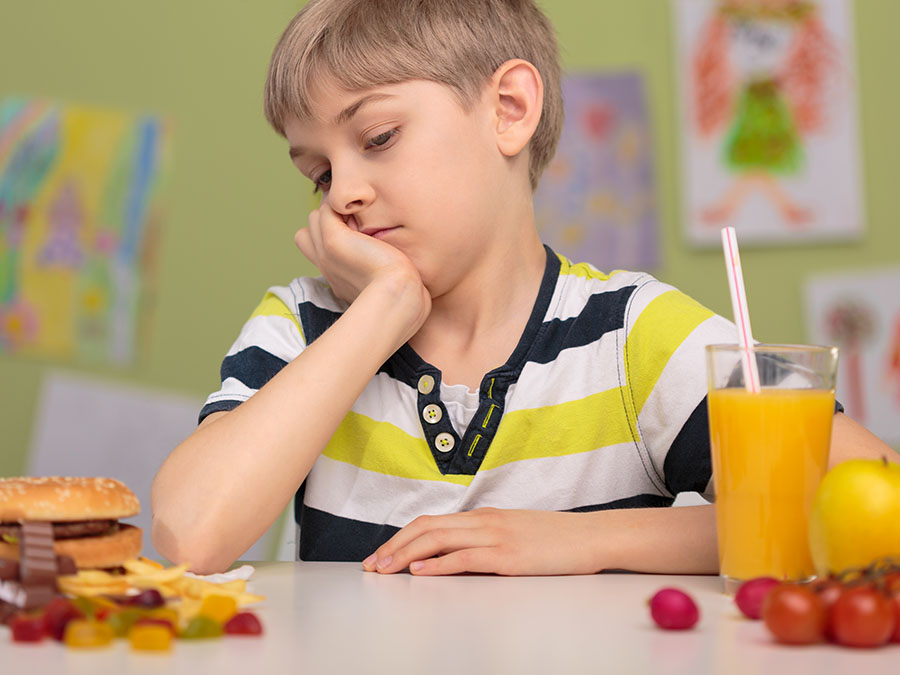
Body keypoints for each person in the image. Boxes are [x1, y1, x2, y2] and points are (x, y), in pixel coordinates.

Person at [150, 0, 894, 575]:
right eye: (318, 173)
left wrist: (585, 538)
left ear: (509, 109)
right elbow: (190, 533)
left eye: (376, 138)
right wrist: (381, 309)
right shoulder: (306, 327)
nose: (341, 192)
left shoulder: (632, 334)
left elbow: (871, 507)